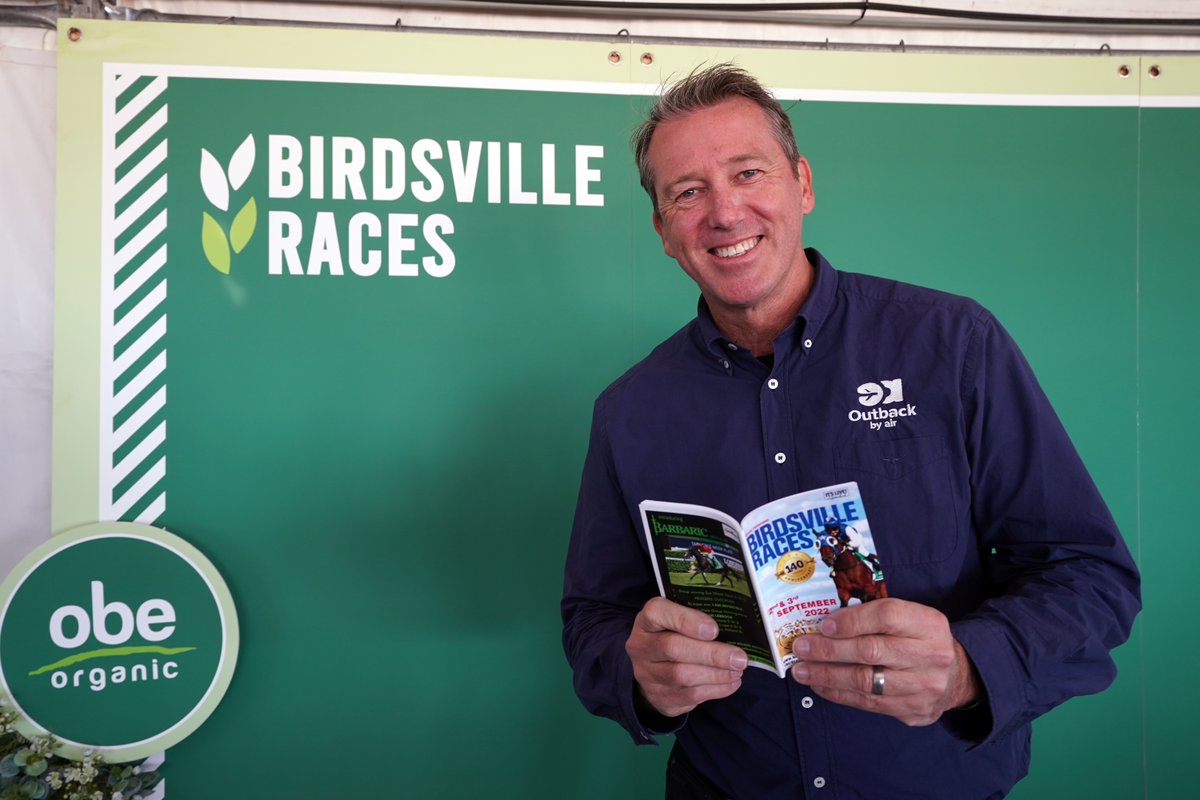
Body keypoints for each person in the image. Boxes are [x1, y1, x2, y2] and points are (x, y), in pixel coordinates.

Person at [561, 63, 1141, 799]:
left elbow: (1090, 573)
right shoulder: (630, 409)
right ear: (664, 231)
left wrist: (967, 668)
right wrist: (638, 675)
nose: (725, 212)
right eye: (687, 192)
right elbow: (594, 617)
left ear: (802, 183)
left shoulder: (952, 344)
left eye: (748, 172)